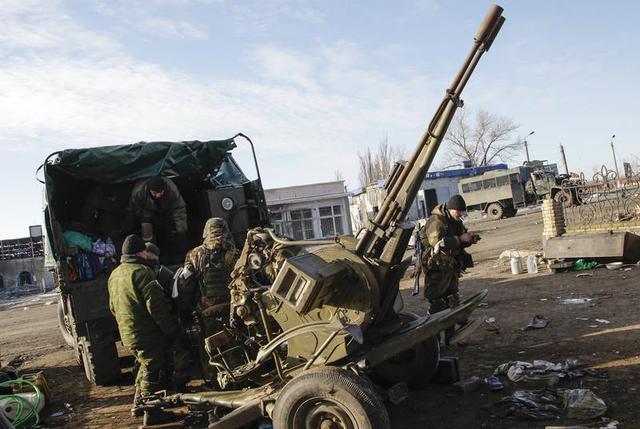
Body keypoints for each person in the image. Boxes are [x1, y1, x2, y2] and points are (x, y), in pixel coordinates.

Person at [107, 234, 180, 424]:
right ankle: (152, 411)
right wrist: (171, 329)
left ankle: (138, 405)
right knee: (152, 367)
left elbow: (113, 308)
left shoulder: (115, 274)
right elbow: (157, 307)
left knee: (144, 364)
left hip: (128, 332)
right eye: (145, 251)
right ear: (140, 252)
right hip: (145, 332)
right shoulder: (141, 272)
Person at [175, 218, 239, 382]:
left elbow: (185, 284)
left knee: (211, 348)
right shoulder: (234, 253)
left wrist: (184, 307)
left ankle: (215, 383)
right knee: (235, 345)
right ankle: (238, 380)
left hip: (207, 311)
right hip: (232, 308)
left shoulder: (194, 254)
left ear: (206, 232)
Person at [418, 195, 480, 315]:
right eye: (458, 211)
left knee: (452, 296)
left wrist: (468, 240)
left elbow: (459, 238)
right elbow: (437, 242)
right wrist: (460, 239)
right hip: (437, 265)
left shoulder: (455, 221)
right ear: (451, 209)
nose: (460, 214)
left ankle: (451, 325)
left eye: (462, 211)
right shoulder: (436, 221)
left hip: (450, 265)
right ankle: (435, 328)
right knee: (437, 300)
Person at [128, 176, 188, 263]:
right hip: (146, 214)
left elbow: (179, 209)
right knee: (147, 236)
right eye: (155, 193)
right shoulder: (139, 192)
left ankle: (172, 258)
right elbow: (134, 208)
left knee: (174, 234)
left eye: (161, 192)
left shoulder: (171, 190)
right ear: (149, 190)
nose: (158, 195)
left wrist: (181, 230)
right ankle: (150, 259)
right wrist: (146, 216)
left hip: (165, 212)